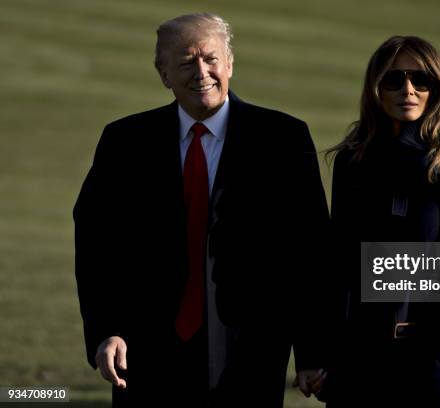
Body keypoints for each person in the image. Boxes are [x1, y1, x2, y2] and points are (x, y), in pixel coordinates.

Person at [74, 13, 328, 407]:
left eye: (210, 59)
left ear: (229, 63)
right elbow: (96, 244)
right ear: (163, 73)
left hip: (250, 357)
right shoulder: (124, 142)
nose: (201, 72)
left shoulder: (283, 140)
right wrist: (107, 330)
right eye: (185, 62)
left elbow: (309, 250)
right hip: (146, 358)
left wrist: (312, 353)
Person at [323, 36, 440, 407]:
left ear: (438, 87)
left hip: (435, 364)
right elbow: (342, 267)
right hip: (362, 365)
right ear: (375, 87)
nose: (407, 89)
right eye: (393, 79)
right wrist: (327, 355)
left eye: (420, 79)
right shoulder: (353, 161)